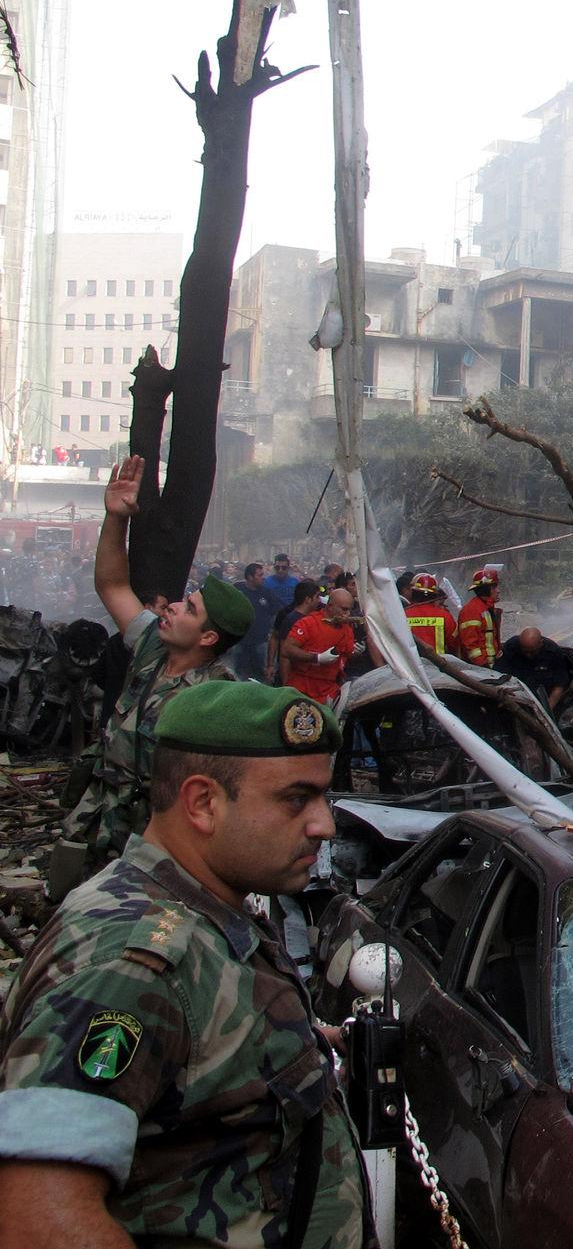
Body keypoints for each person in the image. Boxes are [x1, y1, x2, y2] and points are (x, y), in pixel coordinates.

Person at [0, 682, 366, 1249]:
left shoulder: (201, 902)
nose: (324, 825)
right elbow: (33, 1218)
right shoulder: (135, 963)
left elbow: (189, 1055)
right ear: (202, 803)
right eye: (297, 799)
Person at [49, 457, 250, 902]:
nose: (173, 607)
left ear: (209, 637)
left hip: (152, 844)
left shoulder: (219, 697)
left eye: (189, 609)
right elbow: (112, 586)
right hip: (96, 822)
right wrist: (116, 518)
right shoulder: (151, 649)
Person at [280, 588, 355, 707]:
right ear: (330, 606)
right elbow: (286, 649)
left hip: (328, 690)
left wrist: (357, 651)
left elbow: (348, 655)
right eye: (344, 609)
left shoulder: (347, 630)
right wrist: (317, 658)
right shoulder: (308, 623)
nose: (348, 614)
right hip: (302, 688)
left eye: (350, 610)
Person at [498, 625, 573, 713]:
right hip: (514, 696)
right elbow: (498, 675)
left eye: (532, 652)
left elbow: (559, 686)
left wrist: (546, 711)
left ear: (541, 643)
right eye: (525, 651)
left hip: (541, 700)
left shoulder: (553, 652)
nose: (528, 655)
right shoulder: (511, 647)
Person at [232, 562, 279, 681]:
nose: (263, 578)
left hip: (260, 641)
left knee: (261, 674)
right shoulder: (237, 589)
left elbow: (276, 611)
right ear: (250, 577)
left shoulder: (266, 593)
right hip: (239, 641)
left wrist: (271, 630)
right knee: (238, 673)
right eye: (260, 575)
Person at [270, 580, 321, 685]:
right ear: (308, 599)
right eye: (317, 597)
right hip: (293, 677)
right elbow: (285, 654)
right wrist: (286, 682)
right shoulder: (292, 619)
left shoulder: (312, 617)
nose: (319, 600)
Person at [400, 570, 458, 658]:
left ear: (413, 593)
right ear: (435, 595)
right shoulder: (445, 616)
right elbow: (454, 646)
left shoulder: (402, 615)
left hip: (411, 667)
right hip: (440, 668)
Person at [457, 568, 502, 666]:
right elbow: (470, 644)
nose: (498, 591)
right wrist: (482, 665)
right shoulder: (472, 611)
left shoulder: (486, 608)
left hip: (491, 665)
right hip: (481, 669)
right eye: (494, 587)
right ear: (486, 589)